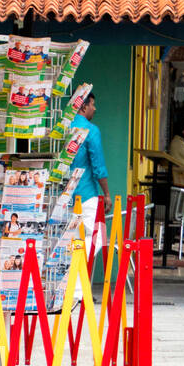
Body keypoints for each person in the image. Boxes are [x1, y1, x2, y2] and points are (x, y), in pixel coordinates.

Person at [71, 91, 110, 251]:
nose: (94, 109)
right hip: (86, 194)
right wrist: (106, 194)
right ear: (83, 106)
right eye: (92, 105)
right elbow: (98, 167)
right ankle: (77, 271)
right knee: (98, 237)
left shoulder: (62, 128)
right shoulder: (91, 130)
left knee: (71, 240)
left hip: (64, 198)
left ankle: (72, 273)